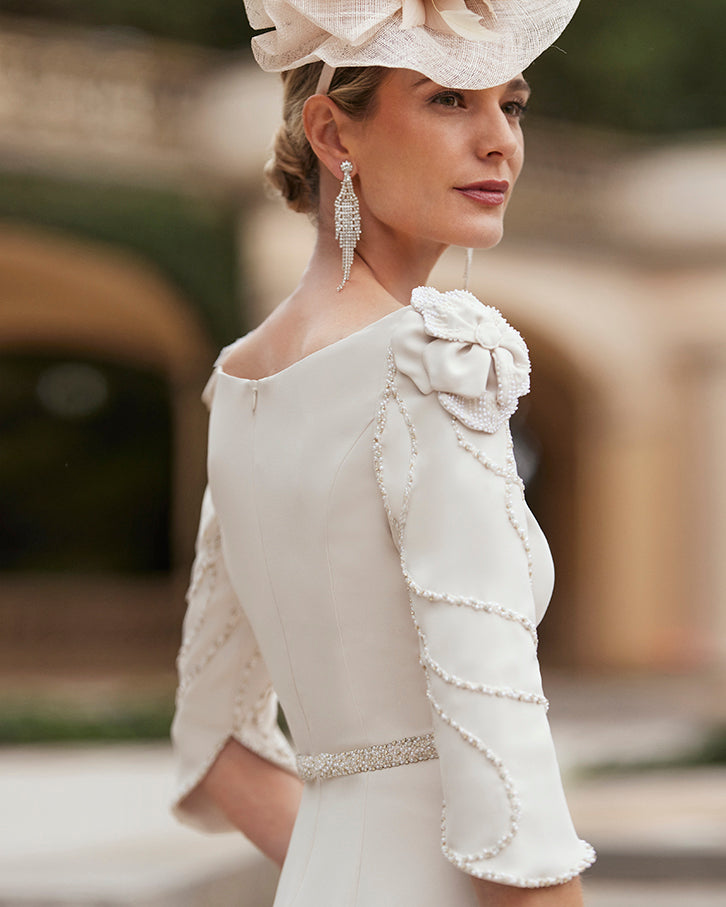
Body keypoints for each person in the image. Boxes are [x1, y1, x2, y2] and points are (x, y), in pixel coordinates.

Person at [171, 2, 595, 905]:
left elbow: (220, 756)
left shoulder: (237, 384)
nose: (499, 144)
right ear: (332, 132)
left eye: (511, 106)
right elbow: (507, 795)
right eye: (449, 100)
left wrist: (348, 864)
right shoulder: (435, 364)